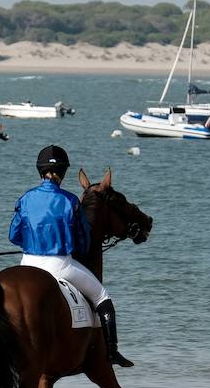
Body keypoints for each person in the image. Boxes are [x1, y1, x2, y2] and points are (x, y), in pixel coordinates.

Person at [9, 145, 133, 367]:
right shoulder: (70, 201)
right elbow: (83, 242)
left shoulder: (25, 199)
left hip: (27, 263)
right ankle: (112, 352)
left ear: (40, 171)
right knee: (102, 296)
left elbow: (13, 235)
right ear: (64, 173)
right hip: (59, 265)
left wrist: (34, 242)